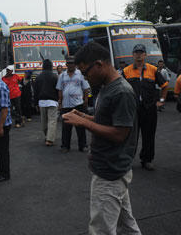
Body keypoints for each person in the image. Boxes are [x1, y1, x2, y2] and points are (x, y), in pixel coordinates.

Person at [62, 42, 141, 235]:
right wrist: (84, 116)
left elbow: (120, 134)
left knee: (101, 230)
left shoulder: (121, 91)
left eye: (85, 72)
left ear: (98, 64)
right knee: (127, 226)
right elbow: (108, 120)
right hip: (112, 169)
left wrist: (84, 124)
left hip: (110, 173)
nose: (85, 78)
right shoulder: (108, 87)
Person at [122, 44, 168, 171]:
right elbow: (120, 89)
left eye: (141, 52)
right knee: (130, 136)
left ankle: (147, 160)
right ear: (133, 54)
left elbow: (164, 85)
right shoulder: (126, 71)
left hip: (149, 109)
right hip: (133, 109)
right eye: (136, 52)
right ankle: (127, 160)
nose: (138, 54)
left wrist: (162, 100)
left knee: (149, 135)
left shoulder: (153, 70)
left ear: (145, 55)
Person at [57, 56, 90, 153]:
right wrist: (60, 102)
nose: (71, 65)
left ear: (75, 64)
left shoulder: (80, 74)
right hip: (66, 105)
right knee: (66, 127)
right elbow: (60, 89)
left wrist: (86, 100)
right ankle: (65, 146)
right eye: (69, 63)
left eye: (72, 63)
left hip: (78, 104)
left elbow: (86, 88)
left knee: (80, 126)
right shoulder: (62, 76)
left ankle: (83, 146)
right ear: (66, 64)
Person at [34, 59, 59, 146]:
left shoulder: (38, 77)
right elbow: (58, 90)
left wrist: (35, 103)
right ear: (51, 66)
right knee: (52, 121)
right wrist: (60, 100)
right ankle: (50, 139)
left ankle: (47, 135)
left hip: (42, 102)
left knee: (44, 121)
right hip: (53, 101)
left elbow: (35, 92)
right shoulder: (55, 76)